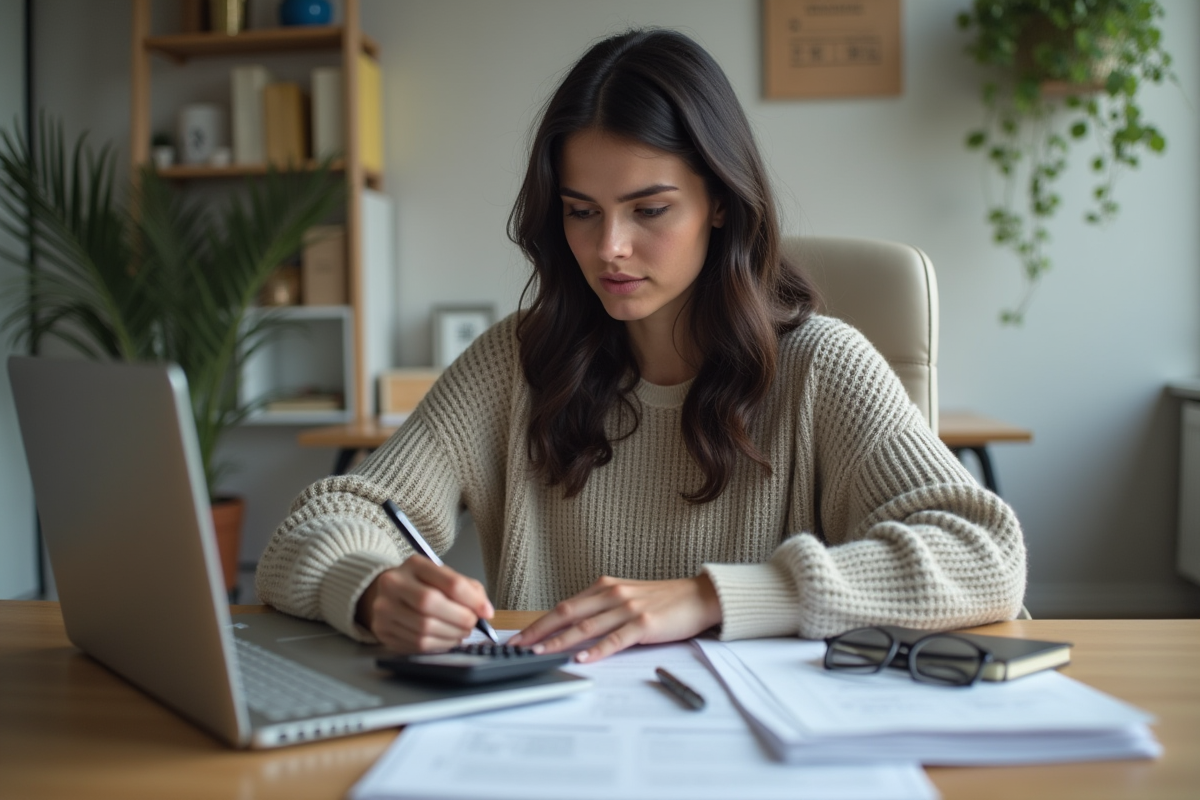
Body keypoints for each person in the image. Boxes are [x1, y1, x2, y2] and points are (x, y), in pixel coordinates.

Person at [256, 29, 1026, 664]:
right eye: (581, 211)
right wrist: (369, 588)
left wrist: (710, 596)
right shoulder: (515, 363)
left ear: (719, 202)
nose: (609, 249)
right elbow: (311, 529)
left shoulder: (822, 364)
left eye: (648, 209)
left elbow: (985, 552)